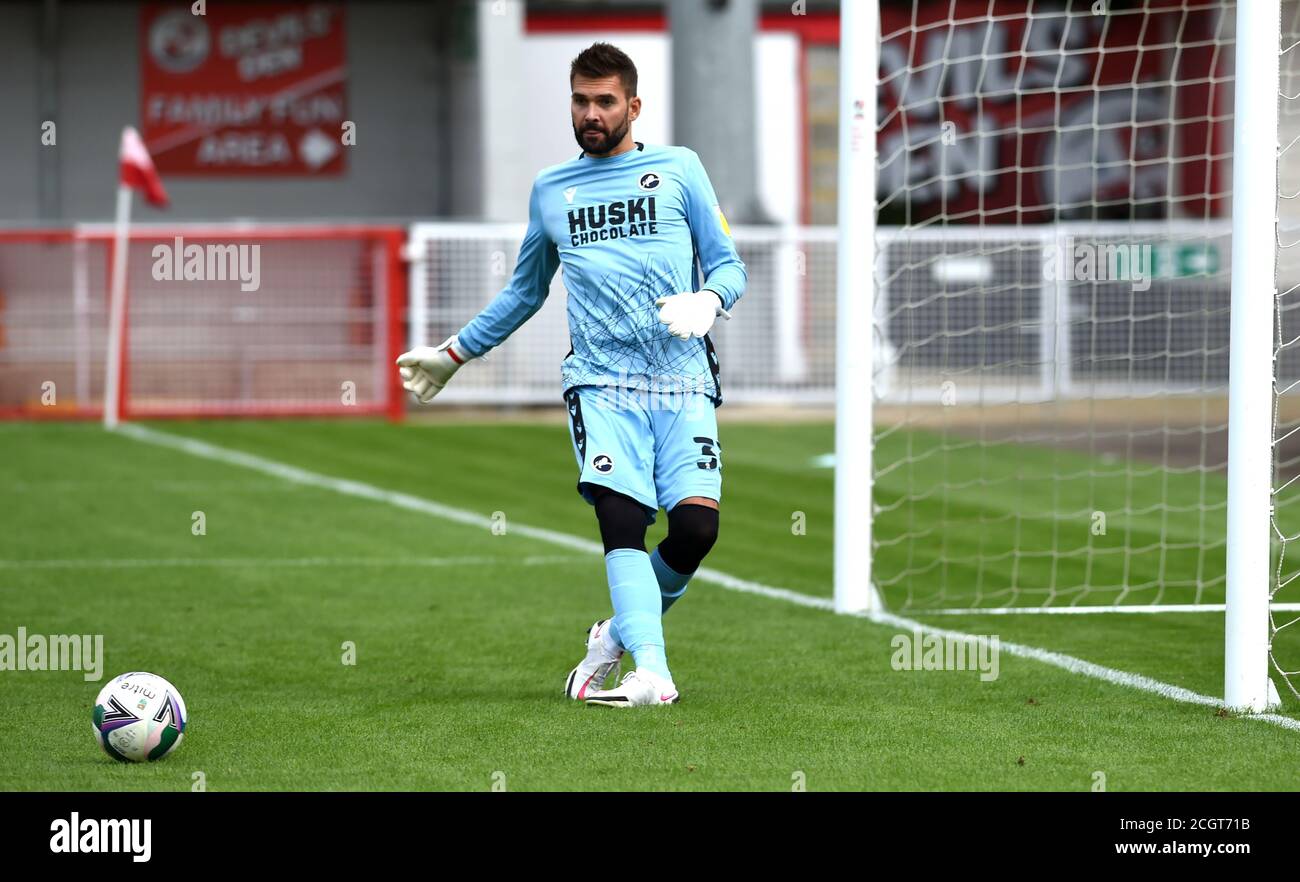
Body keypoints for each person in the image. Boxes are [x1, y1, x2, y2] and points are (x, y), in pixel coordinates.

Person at [395, 42, 746, 708]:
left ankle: (615, 637)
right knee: (623, 518)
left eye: (605, 101)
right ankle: (652, 670)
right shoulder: (554, 188)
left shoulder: (680, 170)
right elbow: (526, 291)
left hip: (682, 383)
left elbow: (730, 265)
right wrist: (453, 355)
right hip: (601, 384)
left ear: (633, 106)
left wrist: (709, 299)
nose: (591, 113)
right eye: (581, 100)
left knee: (697, 532)